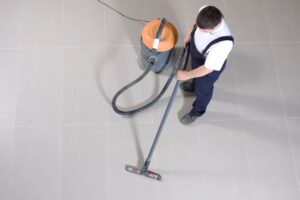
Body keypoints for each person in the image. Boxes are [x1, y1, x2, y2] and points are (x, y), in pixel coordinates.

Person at [176, 5, 234, 125]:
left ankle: (197, 112)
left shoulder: (223, 44)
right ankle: (193, 85)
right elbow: (196, 23)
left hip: (208, 68)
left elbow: (207, 68)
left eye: (203, 31)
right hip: (198, 52)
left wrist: (186, 75)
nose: (200, 30)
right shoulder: (207, 10)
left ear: (213, 28)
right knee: (194, 70)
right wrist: (189, 35)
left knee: (203, 91)